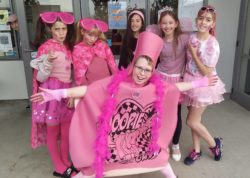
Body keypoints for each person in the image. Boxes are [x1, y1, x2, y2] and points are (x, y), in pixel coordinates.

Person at [31, 31, 217, 178]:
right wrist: (56, 93)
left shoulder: (155, 87)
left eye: (147, 69)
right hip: (114, 142)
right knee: (96, 164)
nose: (142, 73)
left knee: (161, 157)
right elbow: (87, 91)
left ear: (152, 71)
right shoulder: (116, 84)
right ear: (133, 65)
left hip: (140, 143)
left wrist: (200, 83)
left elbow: (176, 86)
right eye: (139, 67)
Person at [30, 11, 78, 177]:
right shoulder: (45, 48)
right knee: (53, 131)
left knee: (66, 131)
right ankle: (58, 165)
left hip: (65, 94)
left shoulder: (68, 48)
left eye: (64, 29)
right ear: (50, 29)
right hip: (51, 95)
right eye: (57, 29)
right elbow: (40, 77)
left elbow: (72, 75)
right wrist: (48, 62)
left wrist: (72, 94)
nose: (61, 33)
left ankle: (65, 160)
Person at [182, 5, 226, 165]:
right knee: (196, 120)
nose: (203, 22)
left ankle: (215, 144)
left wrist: (193, 53)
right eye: (201, 18)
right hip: (190, 81)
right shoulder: (191, 37)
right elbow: (186, 61)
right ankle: (197, 151)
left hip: (205, 85)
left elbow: (207, 71)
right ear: (196, 20)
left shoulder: (213, 44)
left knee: (191, 121)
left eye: (208, 20)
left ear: (213, 24)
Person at [146, 7, 190, 162]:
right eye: (164, 23)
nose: (167, 26)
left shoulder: (184, 39)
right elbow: (150, 58)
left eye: (170, 23)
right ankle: (158, 143)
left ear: (176, 23)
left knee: (175, 115)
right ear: (160, 25)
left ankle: (175, 144)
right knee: (158, 113)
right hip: (160, 79)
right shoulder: (158, 40)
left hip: (177, 81)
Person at [73, 18, 118, 86]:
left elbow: (112, 64)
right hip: (92, 86)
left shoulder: (103, 45)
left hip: (107, 83)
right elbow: (79, 74)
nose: (92, 39)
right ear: (82, 32)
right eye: (90, 35)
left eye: (96, 36)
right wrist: (87, 89)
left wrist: (116, 81)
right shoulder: (78, 50)